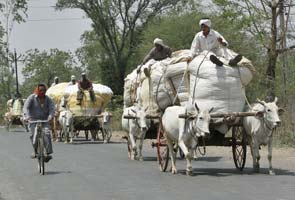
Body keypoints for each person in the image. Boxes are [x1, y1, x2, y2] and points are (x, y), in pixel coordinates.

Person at [23, 83, 55, 162]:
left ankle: (48, 153)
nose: (42, 92)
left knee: (47, 134)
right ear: (37, 90)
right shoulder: (31, 98)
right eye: (40, 90)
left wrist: (50, 116)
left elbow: (52, 108)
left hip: (45, 120)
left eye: (44, 90)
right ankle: (35, 151)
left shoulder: (48, 99)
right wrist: (27, 116)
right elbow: (25, 108)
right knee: (32, 135)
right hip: (33, 120)